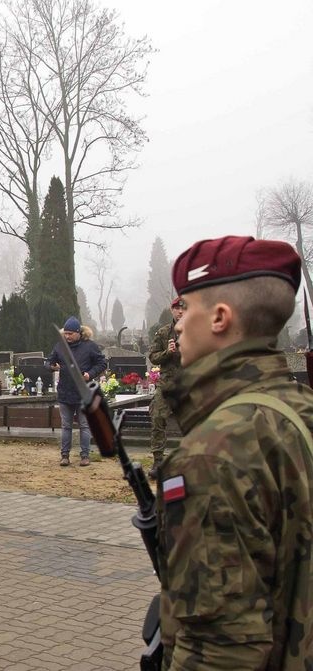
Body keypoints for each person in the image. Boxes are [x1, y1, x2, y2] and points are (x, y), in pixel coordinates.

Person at [157, 235, 313, 669]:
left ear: (220, 318)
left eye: (186, 308)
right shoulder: (300, 409)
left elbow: (221, 650)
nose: (178, 324)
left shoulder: (212, 454)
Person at [46, 317, 107, 467]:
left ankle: (85, 456)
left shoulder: (90, 346)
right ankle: (65, 455)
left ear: (78, 333)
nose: (67, 336)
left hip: (83, 393)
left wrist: (90, 374)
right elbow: (48, 361)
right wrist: (51, 366)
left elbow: (102, 363)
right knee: (66, 426)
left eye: (70, 334)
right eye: (65, 333)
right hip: (65, 392)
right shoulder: (60, 347)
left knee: (84, 426)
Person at [146, 297, 185, 479]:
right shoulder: (163, 333)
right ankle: (158, 461)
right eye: (177, 308)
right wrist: (167, 353)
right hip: (167, 384)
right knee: (157, 416)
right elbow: (153, 357)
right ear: (172, 310)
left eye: (184, 308)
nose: (180, 311)